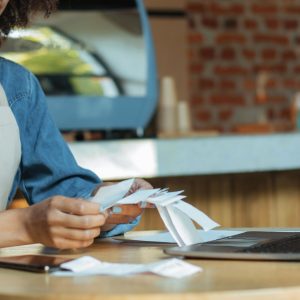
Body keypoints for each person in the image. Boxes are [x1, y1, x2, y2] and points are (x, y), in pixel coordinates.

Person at [0, 0, 152, 249]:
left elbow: (59, 189)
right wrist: (25, 225)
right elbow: (32, 222)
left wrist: (101, 204)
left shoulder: (17, 86)